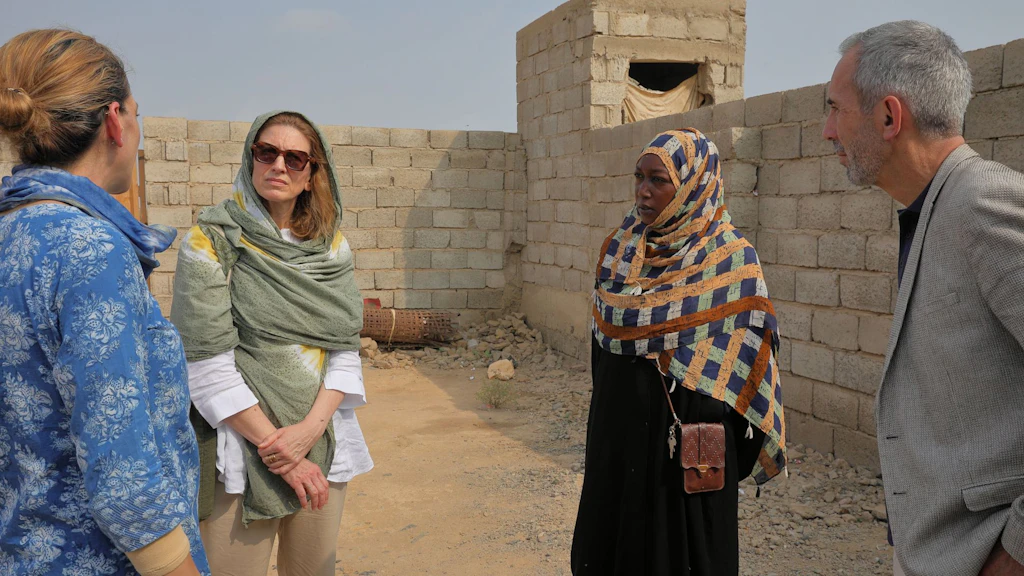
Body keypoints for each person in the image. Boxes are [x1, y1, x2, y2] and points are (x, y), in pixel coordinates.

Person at [0, 29, 208, 575]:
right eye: (137, 115)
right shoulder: (90, 249)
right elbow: (123, 473)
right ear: (115, 120)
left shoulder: (12, 229)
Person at [823, 20, 1024, 576]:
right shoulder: (935, 207)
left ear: (890, 116)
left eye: (836, 109)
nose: (827, 131)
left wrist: (1016, 553)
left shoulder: (983, 203)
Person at [571, 128, 786, 576]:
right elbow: (601, 351)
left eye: (658, 180)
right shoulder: (619, 251)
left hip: (690, 444)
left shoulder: (734, 262)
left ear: (693, 186)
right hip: (619, 436)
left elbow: (751, 365)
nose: (643, 191)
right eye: (639, 177)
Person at [171, 110, 371, 575]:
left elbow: (344, 348)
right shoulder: (210, 241)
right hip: (239, 449)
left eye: (295, 158)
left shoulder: (331, 247)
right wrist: (283, 454)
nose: (279, 165)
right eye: (267, 152)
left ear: (312, 174)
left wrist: (308, 434)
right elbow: (205, 364)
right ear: (251, 158)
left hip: (322, 443)